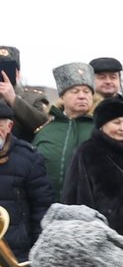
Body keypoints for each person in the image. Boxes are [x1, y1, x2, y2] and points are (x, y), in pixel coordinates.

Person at [62, 95, 123, 248]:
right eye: (116, 123)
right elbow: (76, 196)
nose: (122, 128)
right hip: (105, 236)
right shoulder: (88, 151)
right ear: (102, 125)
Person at [32, 60, 98, 198]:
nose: (82, 96)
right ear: (62, 96)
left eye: (87, 92)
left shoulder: (100, 129)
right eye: (75, 91)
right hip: (48, 207)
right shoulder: (46, 131)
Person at [0, 99, 53, 260]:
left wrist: (38, 254)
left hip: (17, 255)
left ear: (9, 127)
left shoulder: (29, 158)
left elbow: (42, 209)